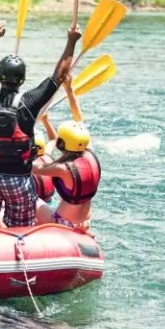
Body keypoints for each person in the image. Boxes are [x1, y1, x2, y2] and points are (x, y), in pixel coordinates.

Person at [0, 21, 81, 227]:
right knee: (20, 227)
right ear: (22, 79)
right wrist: (71, 41)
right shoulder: (30, 102)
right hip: (19, 179)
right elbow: (59, 75)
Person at [34, 78, 101, 229]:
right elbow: (79, 120)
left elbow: (32, 168)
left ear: (61, 143)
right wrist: (69, 91)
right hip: (85, 222)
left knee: (32, 198)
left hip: (63, 222)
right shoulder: (90, 154)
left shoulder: (62, 168)